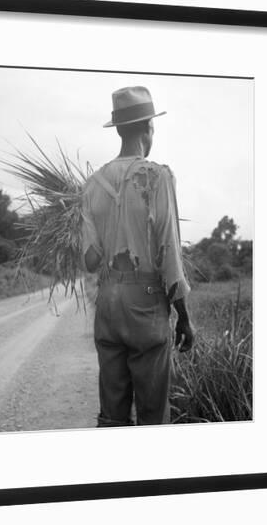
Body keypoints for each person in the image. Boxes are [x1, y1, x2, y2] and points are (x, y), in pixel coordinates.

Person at [82, 86, 194, 427]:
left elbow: (89, 260)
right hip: (145, 307)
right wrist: (184, 317)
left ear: (117, 129)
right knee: (151, 414)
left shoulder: (92, 184)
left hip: (108, 303)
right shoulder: (157, 176)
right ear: (149, 128)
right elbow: (170, 253)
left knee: (112, 414)